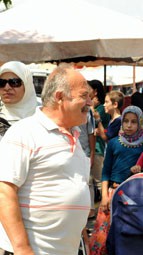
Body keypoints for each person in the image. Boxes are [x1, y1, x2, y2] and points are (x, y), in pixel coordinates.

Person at [0, 64, 92, 254]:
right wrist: (23, 249)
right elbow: (4, 191)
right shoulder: (24, 133)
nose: (90, 102)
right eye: (84, 96)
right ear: (60, 97)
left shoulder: (73, 134)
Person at [99, 105, 143, 213]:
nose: (129, 125)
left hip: (139, 194)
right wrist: (104, 196)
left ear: (140, 122)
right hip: (115, 191)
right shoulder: (113, 143)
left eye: (133, 122)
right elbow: (106, 172)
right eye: (126, 121)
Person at [0, 61, 38, 138]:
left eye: (14, 82)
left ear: (27, 86)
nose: (7, 88)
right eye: (1, 83)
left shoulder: (42, 117)